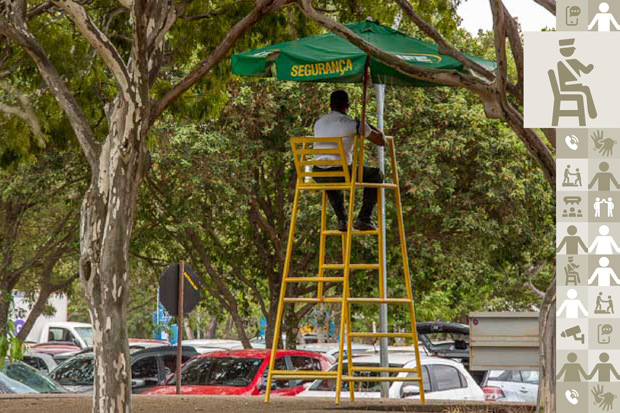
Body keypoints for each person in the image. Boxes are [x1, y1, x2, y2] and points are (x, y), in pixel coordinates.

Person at [313, 90, 386, 231]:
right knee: (376, 175)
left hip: (318, 173)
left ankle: (342, 220)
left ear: (330, 105)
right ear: (348, 105)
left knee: (330, 177)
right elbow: (381, 141)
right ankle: (364, 218)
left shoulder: (318, 123)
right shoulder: (351, 124)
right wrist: (366, 125)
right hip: (340, 172)